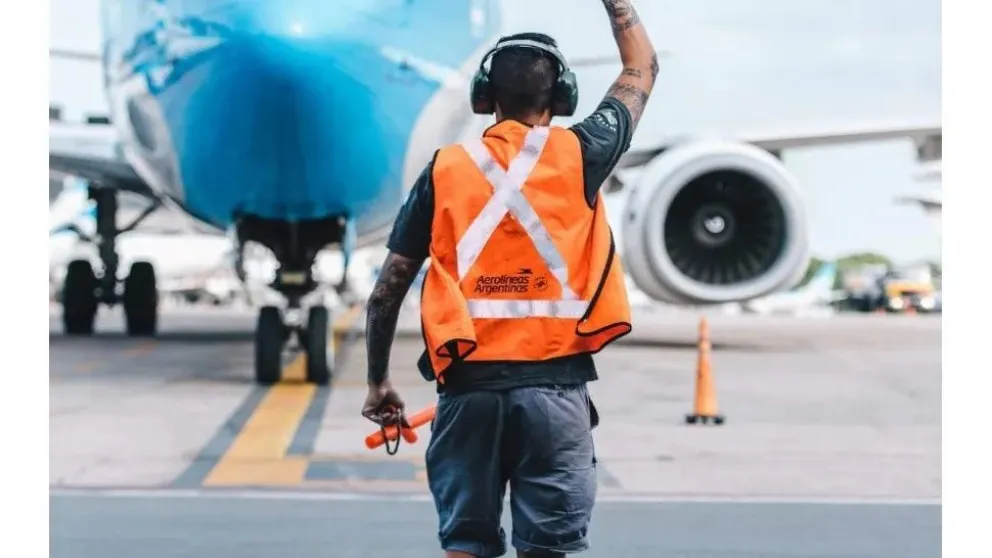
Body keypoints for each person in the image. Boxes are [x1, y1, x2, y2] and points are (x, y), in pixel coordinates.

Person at [361, 1, 658, 556]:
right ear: (562, 95)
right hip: (554, 394)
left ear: (483, 96)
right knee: (547, 545)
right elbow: (641, 68)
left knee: (466, 542)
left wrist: (379, 383)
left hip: (468, 393)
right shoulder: (584, 152)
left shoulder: (445, 169)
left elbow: (387, 291)